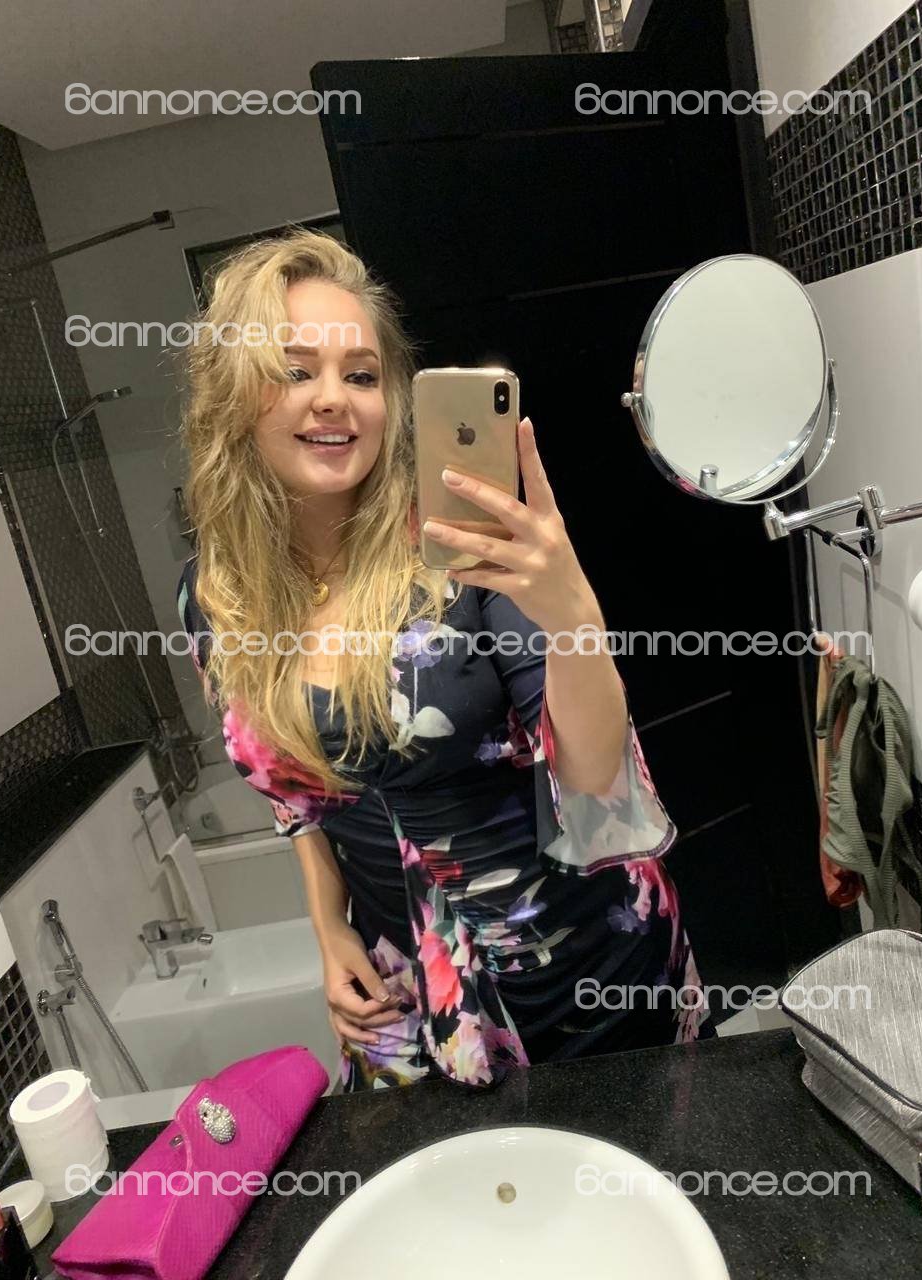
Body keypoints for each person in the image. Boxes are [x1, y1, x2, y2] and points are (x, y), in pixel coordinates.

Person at [176, 229, 713, 1092]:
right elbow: (295, 800)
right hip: (399, 996)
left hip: (578, 973)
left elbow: (594, 782)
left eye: (360, 375)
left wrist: (573, 616)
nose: (333, 399)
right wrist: (328, 929)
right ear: (234, 395)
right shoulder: (216, 597)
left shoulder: (458, 549)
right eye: (295, 370)